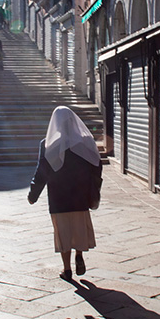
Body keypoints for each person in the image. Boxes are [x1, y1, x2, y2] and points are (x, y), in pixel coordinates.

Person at [28, 107, 102, 280]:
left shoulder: (47, 144)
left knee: (63, 233)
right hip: (80, 196)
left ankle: (67, 269)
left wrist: (33, 194)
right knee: (79, 228)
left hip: (58, 198)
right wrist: (94, 189)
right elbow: (97, 166)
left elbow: (41, 172)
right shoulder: (85, 142)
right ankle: (79, 255)